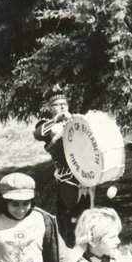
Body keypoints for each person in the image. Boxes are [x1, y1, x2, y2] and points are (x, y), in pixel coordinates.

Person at [32, 86, 87, 246]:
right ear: (50, 108)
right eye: (57, 105)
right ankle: (68, 249)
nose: (62, 107)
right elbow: (38, 134)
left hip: (85, 176)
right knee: (70, 217)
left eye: (64, 103)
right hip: (67, 178)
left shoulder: (77, 121)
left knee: (86, 215)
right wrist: (57, 120)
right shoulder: (48, 125)